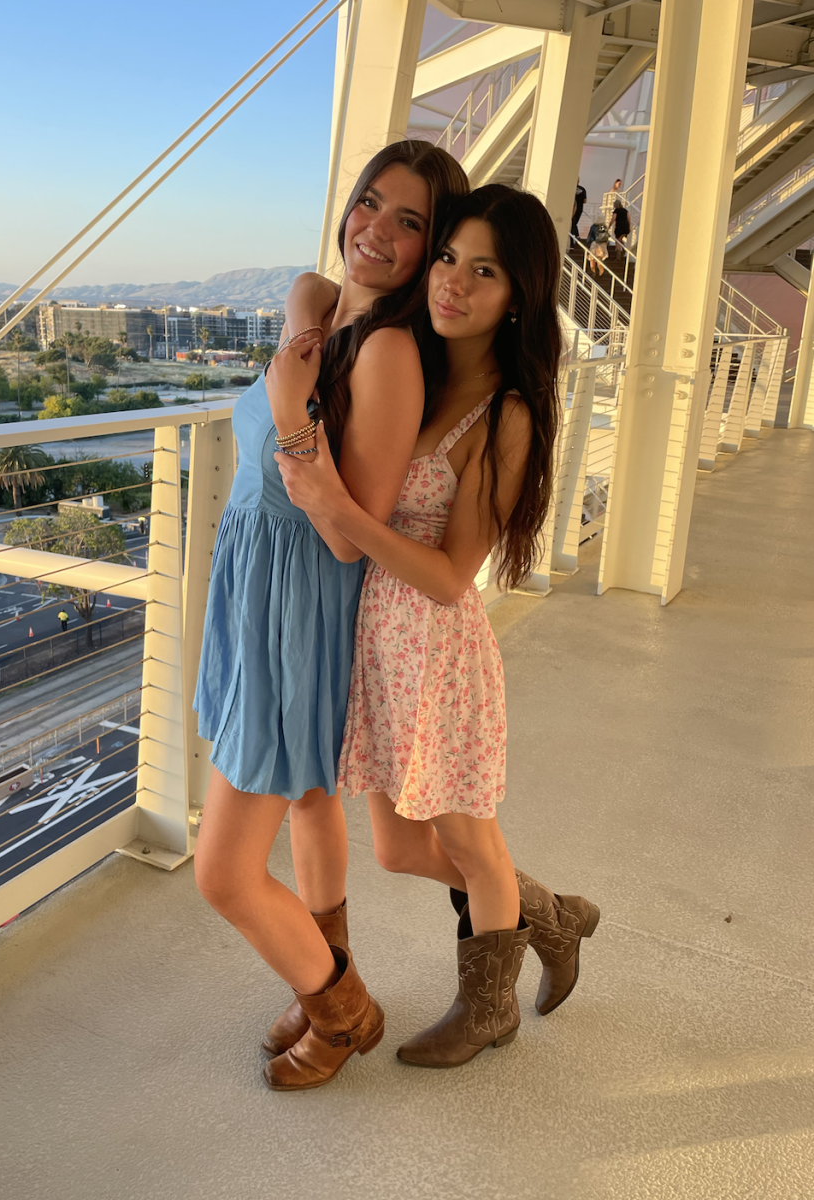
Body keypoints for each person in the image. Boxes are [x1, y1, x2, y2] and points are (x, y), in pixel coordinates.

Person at [278, 184, 599, 1069]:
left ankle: (486, 1007)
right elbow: (317, 287)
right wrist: (301, 316)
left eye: (483, 270)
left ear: (518, 296)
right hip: (379, 640)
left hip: (436, 647)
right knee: (396, 848)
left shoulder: (506, 412)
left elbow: (451, 575)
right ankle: (553, 914)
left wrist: (334, 505)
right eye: (448, 257)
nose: (453, 282)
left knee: (465, 839)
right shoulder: (416, 365)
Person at [192, 140, 468, 1092]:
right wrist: (299, 328)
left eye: (409, 223)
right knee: (310, 801)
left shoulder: (389, 353)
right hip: (254, 584)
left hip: (300, 600)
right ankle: (322, 972)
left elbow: (352, 536)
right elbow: (311, 280)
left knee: (223, 872)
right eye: (367, 203)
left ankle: (341, 1009)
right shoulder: (331, 309)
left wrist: (293, 404)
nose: (375, 232)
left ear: (434, 250)